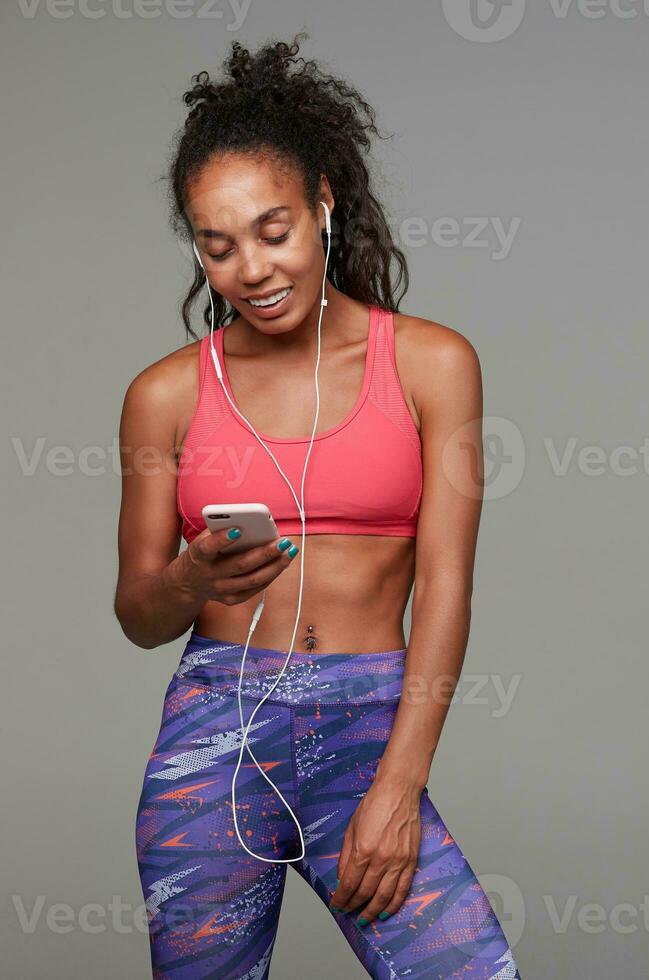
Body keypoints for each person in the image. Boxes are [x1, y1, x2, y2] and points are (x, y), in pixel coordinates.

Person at [114, 34, 521, 980]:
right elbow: (138, 614)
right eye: (217, 247)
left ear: (324, 203)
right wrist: (187, 576)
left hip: (370, 726)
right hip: (214, 734)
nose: (251, 269)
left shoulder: (431, 364)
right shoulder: (164, 395)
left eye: (273, 231)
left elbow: (449, 592)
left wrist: (400, 783)